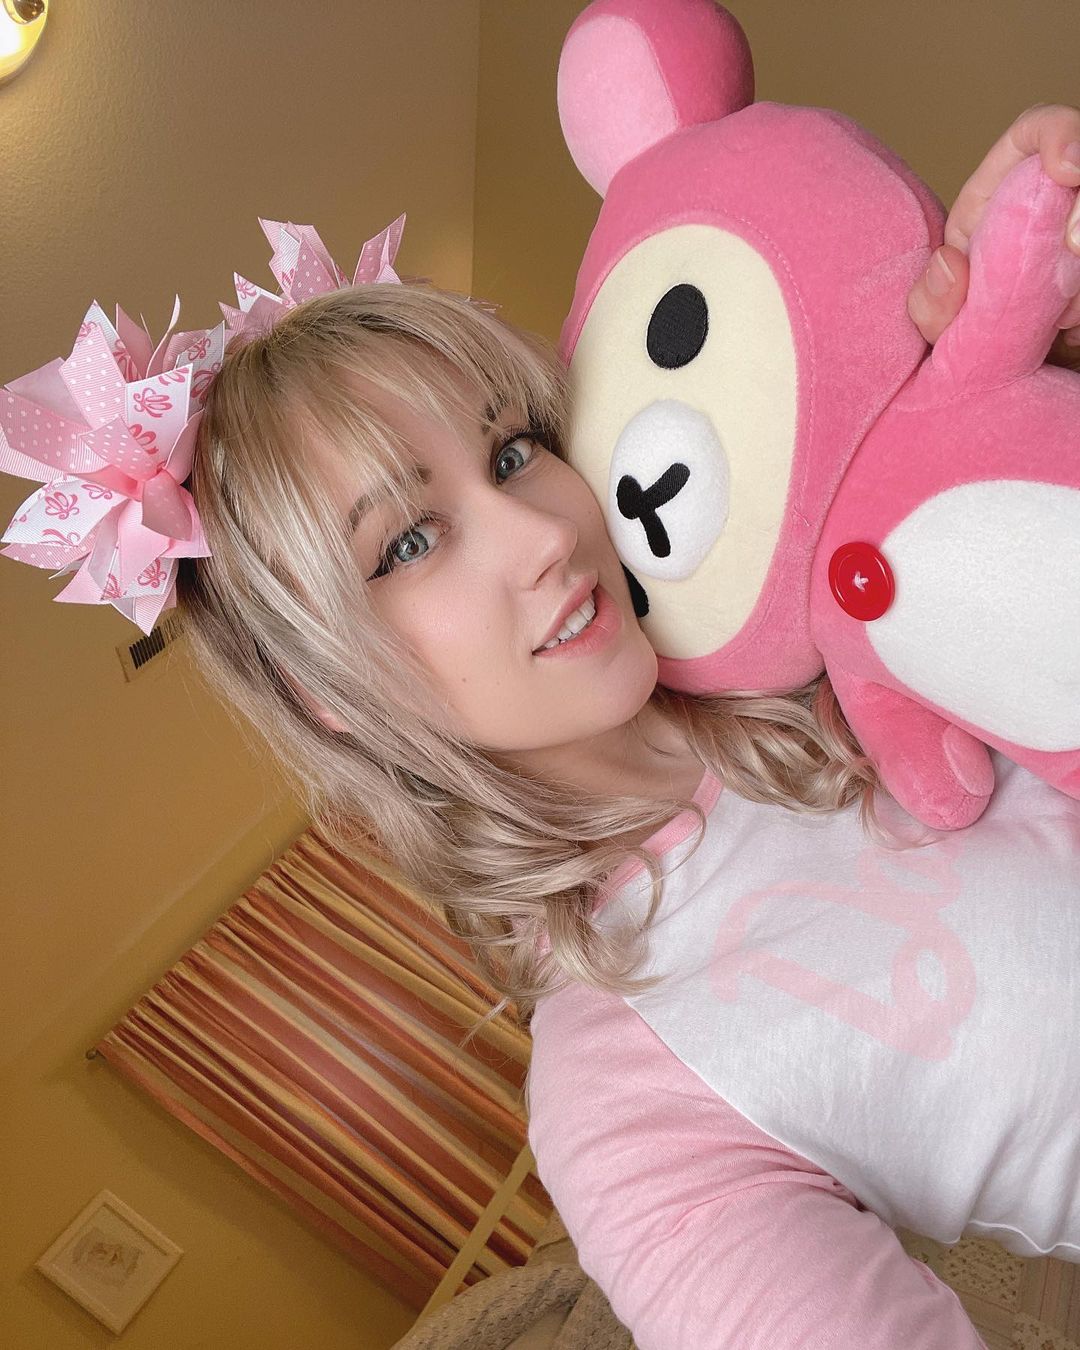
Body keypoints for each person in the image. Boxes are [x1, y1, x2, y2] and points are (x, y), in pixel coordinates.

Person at [5, 101, 1080, 1348]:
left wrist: (1037, 372)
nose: (544, 534)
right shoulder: (629, 1090)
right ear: (327, 691)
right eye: (409, 542)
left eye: (513, 452)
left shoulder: (829, 594)